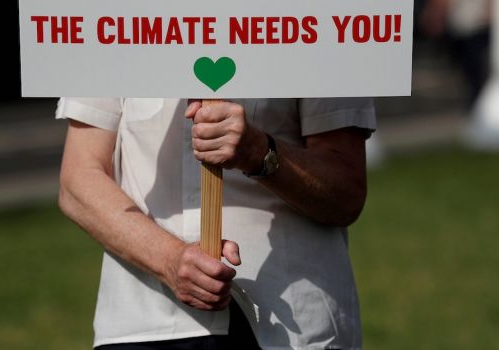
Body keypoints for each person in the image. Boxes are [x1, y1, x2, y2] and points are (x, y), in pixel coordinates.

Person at [56, 97, 376, 349]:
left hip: (291, 325)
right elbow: (79, 180)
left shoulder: (317, 15)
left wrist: (258, 152)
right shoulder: (115, 15)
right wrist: (169, 260)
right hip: (143, 322)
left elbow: (346, 192)